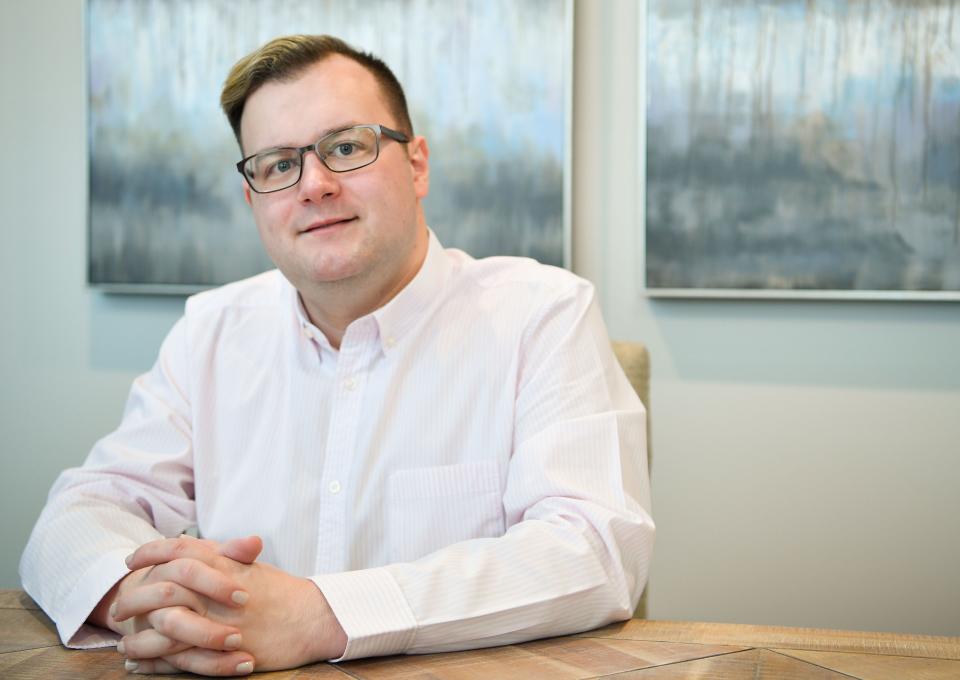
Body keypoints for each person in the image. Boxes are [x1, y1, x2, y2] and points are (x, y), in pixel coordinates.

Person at [20, 34, 654, 676]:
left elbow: (594, 548)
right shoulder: (208, 331)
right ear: (253, 200)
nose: (314, 185)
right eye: (275, 165)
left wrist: (318, 615)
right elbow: (83, 510)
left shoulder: (541, 313)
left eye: (346, 148)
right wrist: (144, 600)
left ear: (417, 165)